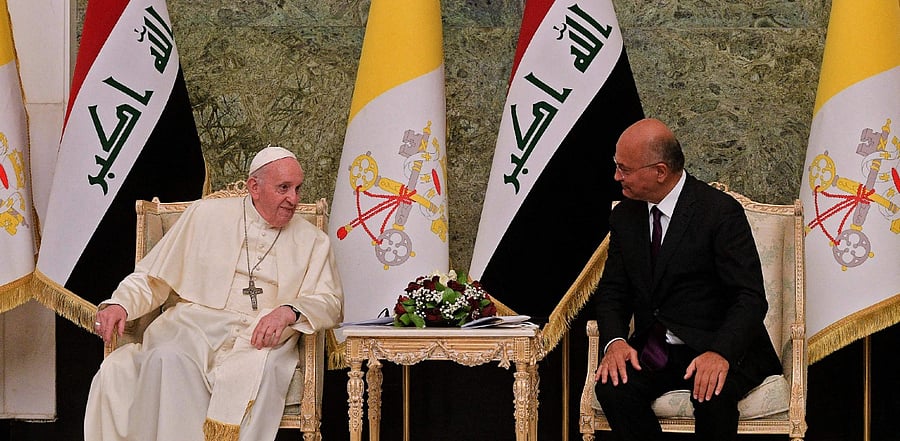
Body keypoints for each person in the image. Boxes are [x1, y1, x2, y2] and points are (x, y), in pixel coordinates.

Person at [85, 146, 344, 441]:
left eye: (298, 188)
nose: (293, 199)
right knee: (166, 358)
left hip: (259, 336)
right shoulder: (205, 214)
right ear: (254, 187)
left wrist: (289, 311)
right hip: (193, 326)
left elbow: (330, 301)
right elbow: (152, 277)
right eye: (283, 188)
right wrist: (120, 304)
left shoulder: (313, 240)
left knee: (259, 371)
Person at [593, 118, 781, 441]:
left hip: (721, 345)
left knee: (712, 394)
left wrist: (720, 352)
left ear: (660, 171)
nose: (616, 176)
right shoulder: (624, 217)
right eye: (616, 165)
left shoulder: (719, 213)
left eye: (624, 169)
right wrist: (615, 342)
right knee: (613, 387)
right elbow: (612, 291)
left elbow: (749, 297)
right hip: (660, 350)